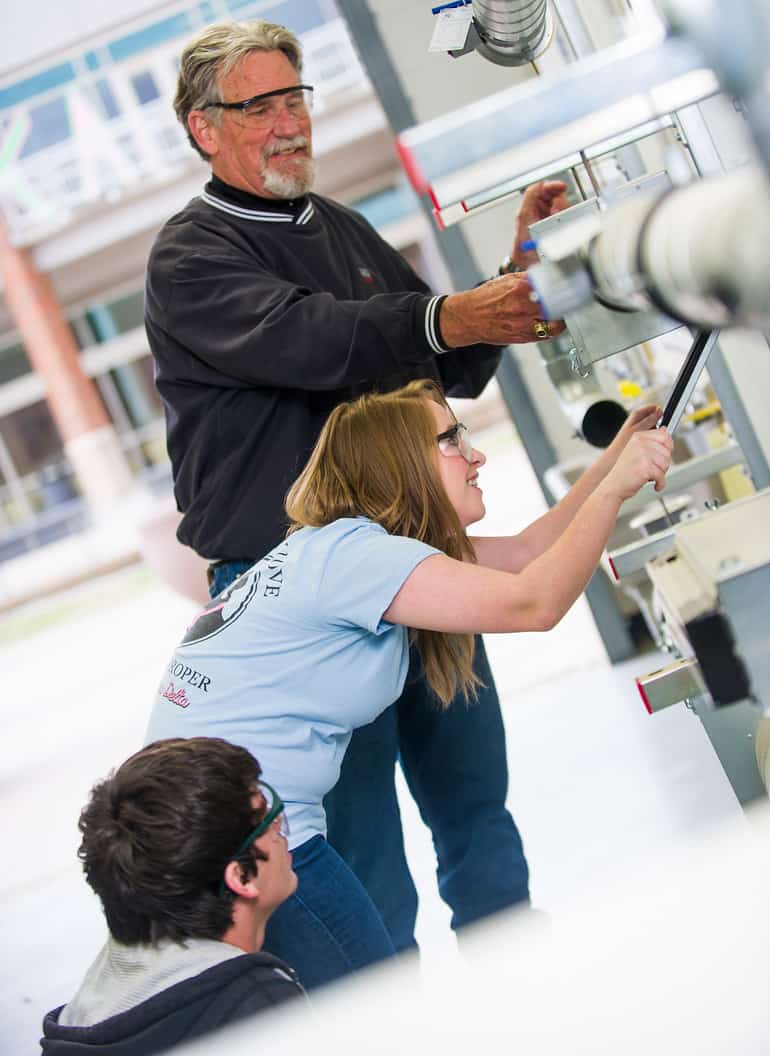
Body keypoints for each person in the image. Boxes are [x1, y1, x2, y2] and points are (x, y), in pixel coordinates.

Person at [144, 17, 568, 957]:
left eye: (296, 98)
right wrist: (450, 316)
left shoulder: (339, 227)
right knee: (356, 850)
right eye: (259, 106)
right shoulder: (192, 257)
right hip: (296, 590)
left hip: (413, 567)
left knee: (476, 806)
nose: (290, 123)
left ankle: (524, 995)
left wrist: (512, 285)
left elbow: (443, 368)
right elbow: (316, 339)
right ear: (202, 127)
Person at [144, 379, 672, 989]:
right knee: (375, 1004)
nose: (475, 455)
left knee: (365, 999)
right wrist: (615, 487)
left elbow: (529, 552)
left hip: (210, 822)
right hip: (234, 833)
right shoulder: (356, 558)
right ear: (399, 464)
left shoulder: (353, 549)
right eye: (450, 440)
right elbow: (535, 603)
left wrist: (613, 459)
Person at [40, 737, 305, 1055]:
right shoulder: (263, 1010)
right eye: (269, 821)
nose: (281, 831)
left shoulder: (79, 1022)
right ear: (241, 877)